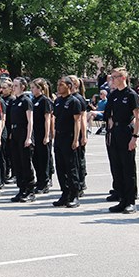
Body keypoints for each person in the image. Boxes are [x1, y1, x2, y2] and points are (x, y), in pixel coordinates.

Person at [106, 68, 139, 214]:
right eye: (112, 77)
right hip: (116, 132)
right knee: (117, 167)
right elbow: (110, 115)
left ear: (123, 77)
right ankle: (122, 199)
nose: (112, 79)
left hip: (127, 131)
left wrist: (135, 137)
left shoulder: (131, 95)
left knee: (128, 168)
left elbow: (138, 117)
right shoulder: (113, 95)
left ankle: (130, 201)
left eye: (115, 77)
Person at [51, 76, 84, 208]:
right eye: (58, 84)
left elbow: (77, 121)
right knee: (60, 167)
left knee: (71, 168)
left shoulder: (74, 101)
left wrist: (76, 139)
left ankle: (74, 194)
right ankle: (65, 193)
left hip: (69, 137)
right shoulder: (58, 101)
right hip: (59, 137)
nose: (58, 87)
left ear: (69, 86)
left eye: (61, 85)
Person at [7, 77, 36, 202]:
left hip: (24, 134)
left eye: (16, 85)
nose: (13, 88)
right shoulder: (14, 101)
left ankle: (30, 191)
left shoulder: (26, 101)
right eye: (13, 85)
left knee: (26, 163)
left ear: (23, 87)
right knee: (17, 163)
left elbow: (30, 121)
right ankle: (21, 189)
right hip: (15, 134)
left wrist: (29, 137)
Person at [30, 78, 54, 195]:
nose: (32, 90)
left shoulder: (45, 100)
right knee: (36, 159)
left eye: (33, 87)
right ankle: (39, 181)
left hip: (42, 133)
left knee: (43, 159)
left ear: (40, 88)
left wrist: (47, 135)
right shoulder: (34, 100)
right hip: (35, 133)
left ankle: (44, 183)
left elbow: (47, 119)